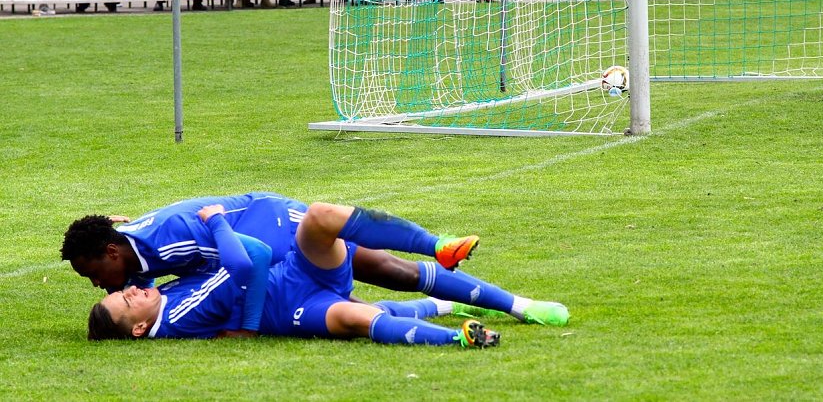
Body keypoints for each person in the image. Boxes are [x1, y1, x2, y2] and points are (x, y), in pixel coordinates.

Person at [61, 192, 568, 336]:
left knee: (387, 271)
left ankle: (506, 295)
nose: (100, 286)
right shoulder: (130, 253)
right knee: (359, 304)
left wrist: (248, 326)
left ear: (112, 254)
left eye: (94, 275)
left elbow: (250, 260)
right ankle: (450, 306)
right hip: (267, 251)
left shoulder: (164, 242)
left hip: (271, 228)